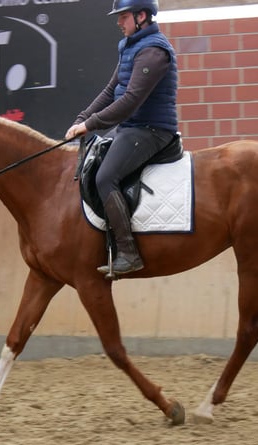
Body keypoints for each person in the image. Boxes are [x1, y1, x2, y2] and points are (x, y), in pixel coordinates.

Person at [66, 0, 178, 276]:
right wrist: (83, 118)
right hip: (131, 128)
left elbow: (130, 101)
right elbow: (110, 91)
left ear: (142, 16)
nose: (119, 22)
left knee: (106, 177)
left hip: (151, 129)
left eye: (124, 16)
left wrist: (91, 124)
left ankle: (128, 252)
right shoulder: (130, 47)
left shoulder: (154, 51)